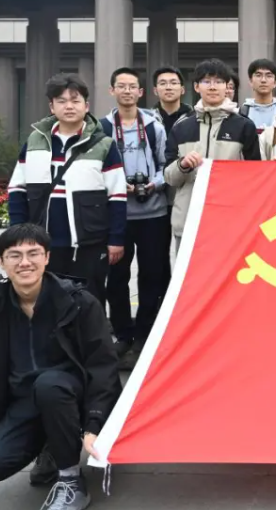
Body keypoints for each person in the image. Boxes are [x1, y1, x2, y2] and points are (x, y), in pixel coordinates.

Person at [0, 223, 121, 510]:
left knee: (49, 385)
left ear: (47, 257)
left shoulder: (78, 302)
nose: (24, 262)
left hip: (69, 394)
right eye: (14, 255)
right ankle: (50, 446)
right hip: (24, 400)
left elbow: (103, 366)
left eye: (33, 253)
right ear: (2, 262)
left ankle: (71, 480)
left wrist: (94, 423)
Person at [7, 73, 126, 309]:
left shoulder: (103, 144)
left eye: (75, 100)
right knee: (45, 303)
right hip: (41, 241)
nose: (69, 106)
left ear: (86, 106)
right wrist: (18, 233)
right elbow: (17, 189)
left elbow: (117, 196)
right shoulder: (35, 141)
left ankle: (89, 335)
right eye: (61, 101)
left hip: (89, 241)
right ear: (52, 107)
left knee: (90, 302)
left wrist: (116, 239)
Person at [100, 67, 171, 356]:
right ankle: (122, 333)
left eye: (132, 86)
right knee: (116, 277)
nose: (127, 91)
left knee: (152, 275)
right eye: (121, 86)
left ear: (141, 92)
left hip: (153, 213)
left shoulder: (154, 126)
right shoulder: (102, 128)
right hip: (117, 215)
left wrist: (154, 183)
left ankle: (144, 332)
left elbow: (166, 164)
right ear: (112, 90)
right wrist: (118, 185)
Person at [165, 59, 261, 249]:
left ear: (227, 87)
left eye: (218, 81)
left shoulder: (244, 126)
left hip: (230, 222)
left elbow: (255, 175)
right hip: (188, 220)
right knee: (188, 269)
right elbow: (169, 177)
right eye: (206, 81)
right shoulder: (182, 127)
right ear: (196, 87)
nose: (212, 87)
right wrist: (182, 165)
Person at [238, 58, 276, 133]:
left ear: (275, 83)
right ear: (251, 81)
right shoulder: (242, 113)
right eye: (258, 75)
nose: (263, 80)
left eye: (269, 76)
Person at [152, 66, 192, 135]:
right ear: (155, 91)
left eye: (173, 83)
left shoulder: (193, 118)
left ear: (182, 90)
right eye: (163, 83)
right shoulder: (148, 120)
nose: (168, 87)